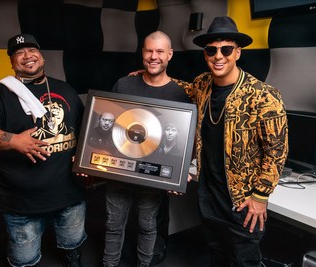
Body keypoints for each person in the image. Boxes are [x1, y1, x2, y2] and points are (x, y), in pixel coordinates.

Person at [178, 16, 289, 266]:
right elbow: (184, 88)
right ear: (206, 54)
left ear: (237, 53)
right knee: (218, 255)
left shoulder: (264, 96)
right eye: (212, 50)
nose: (219, 56)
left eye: (226, 49)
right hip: (209, 195)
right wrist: (150, 73)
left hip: (242, 202)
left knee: (244, 261)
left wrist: (260, 196)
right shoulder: (203, 84)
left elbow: (277, 151)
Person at [0, 34, 87, 267]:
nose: (27, 56)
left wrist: (85, 158)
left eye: (32, 50)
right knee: (25, 258)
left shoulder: (66, 89)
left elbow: (86, 128)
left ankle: (71, 255)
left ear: (41, 57)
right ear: (12, 62)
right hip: (21, 200)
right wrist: (14, 141)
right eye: (19, 53)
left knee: (72, 242)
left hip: (68, 192)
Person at [102, 31, 191, 267]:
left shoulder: (180, 94)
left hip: (151, 174)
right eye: (149, 50)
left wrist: (178, 175)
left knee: (147, 226)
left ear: (169, 55)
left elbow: (180, 140)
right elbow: (108, 125)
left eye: (160, 51)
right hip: (119, 172)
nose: (154, 56)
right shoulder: (124, 83)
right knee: (113, 225)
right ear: (142, 53)